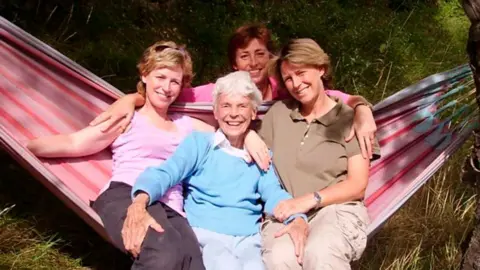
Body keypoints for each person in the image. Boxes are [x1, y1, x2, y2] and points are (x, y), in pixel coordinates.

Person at [26, 41, 267, 270]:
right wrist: (25, 144)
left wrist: (249, 136)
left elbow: (228, 128)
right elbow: (74, 142)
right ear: (144, 76)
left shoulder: (187, 124)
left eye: (175, 81)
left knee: (193, 262)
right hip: (125, 193)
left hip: (173, 206)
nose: (166, 87)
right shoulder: (128, 117)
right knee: (163, 252)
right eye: (160, 77)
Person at [90, 24, 378, 159]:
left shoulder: (286, 88)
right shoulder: (220, 91)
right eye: (244, 56)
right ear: (233, 63)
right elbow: (168, 95)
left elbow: (340, 98)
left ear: (271, 58)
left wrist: (363, 111)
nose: (253, 63)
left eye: (260, 54)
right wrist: (131, 98)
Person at [126, 71, 308, 270]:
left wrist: (297, 216)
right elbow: (167, 172)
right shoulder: (200, 144)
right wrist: (140, 199)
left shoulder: (260, 154)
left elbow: (273, 192)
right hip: (206, 235)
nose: (233, 114)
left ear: (253, 112)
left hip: (249, 238)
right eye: (226, 106)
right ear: (215, 112)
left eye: (242, 106)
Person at [258, 38, 381, 269]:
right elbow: (259, 164)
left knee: (321, 253)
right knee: (281, 257)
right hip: (286, 209)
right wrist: (250, 136)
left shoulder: (349, 119)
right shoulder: (279, 114)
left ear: (321, 69)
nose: (296, 83)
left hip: (335, 209)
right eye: (288, 78)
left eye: (301, 72)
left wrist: (310, 200)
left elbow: (358, 185)